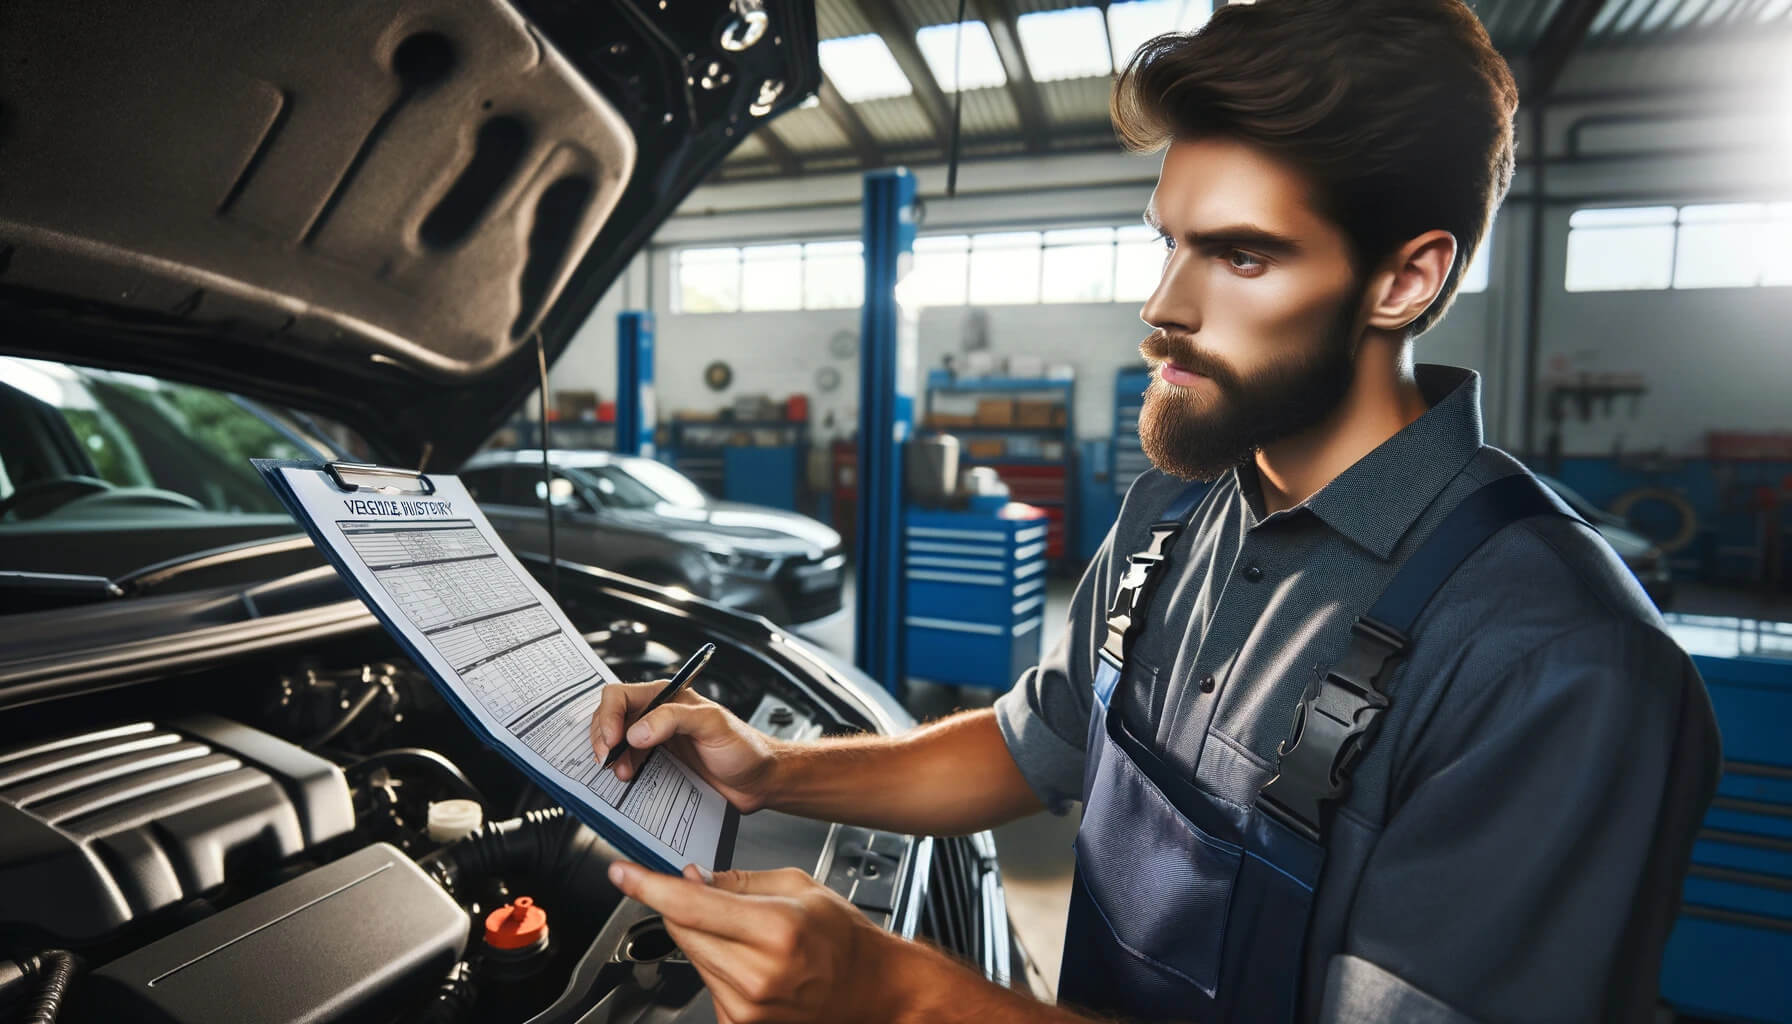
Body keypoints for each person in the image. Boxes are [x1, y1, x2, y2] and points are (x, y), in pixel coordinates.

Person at [589, 1, 1721, 1020]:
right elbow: (1034, 746)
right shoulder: (1171, 517)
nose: (1162, 305)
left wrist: (902, 999)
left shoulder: (1557, 666)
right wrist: (774, 769)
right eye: (1169, 241)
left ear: (1404, 281)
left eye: (1240, 255)